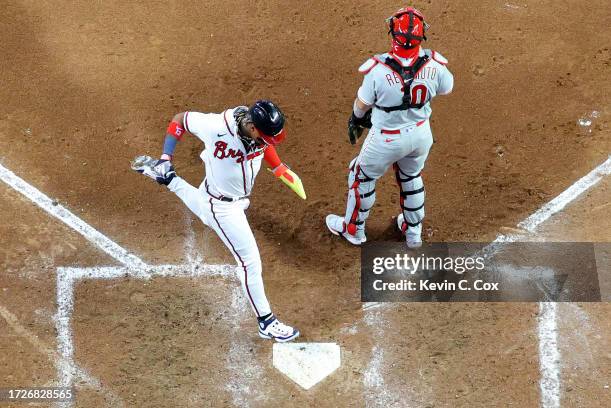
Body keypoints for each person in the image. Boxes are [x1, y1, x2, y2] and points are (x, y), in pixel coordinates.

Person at [133, 100, 302, 342]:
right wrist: (165, 156)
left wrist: (278, 167)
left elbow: (266, 145)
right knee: (249, 263)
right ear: (253, 127)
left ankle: (167, 179)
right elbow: (181, 118)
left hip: (222, 198)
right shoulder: (216, 126)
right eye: (266, 136)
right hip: (223, 207)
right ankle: (266, 322)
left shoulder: (257, 134)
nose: (269, 141)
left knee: (204, 208)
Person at [326, 6, 454, 248]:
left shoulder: (378, 69)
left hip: (386, 139)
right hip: (420, 133)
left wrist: (356, 118)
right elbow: (447, 88)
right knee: (411, 176)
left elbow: (362, 104)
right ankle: (413, 232)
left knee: (360, 176)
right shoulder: (436, 64)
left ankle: (353, 229)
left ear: (393, 35)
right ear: (421, 36)